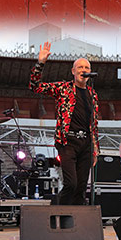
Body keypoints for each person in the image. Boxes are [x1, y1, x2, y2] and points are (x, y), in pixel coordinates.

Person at [29, 45, 100, 205]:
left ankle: (76, 221)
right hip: (68, 142)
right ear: (73, 71)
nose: (84, 69)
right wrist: (40, 63)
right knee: (71, 183)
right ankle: (56, 211)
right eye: (80, 67)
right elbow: (35, 86)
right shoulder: (63, 88)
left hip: (86, 144)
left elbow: (94, 125)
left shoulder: (93, 94)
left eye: (87, 67)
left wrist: (95, 149)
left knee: (82, 187)